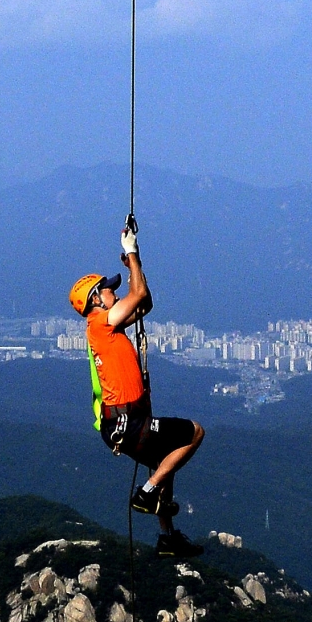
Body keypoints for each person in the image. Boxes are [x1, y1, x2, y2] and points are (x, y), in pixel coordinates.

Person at [69, 222, 205, 559]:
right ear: (96, 300)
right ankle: (146, 493)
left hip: (124, 424)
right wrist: (129, 252)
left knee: (164, 462)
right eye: (108, 290)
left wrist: (136, 265)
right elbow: (139, 296)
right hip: (127, 424)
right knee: (194, 434)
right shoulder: (100, 325)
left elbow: (144, 304)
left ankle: (166, 536)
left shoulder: (106, 326)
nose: (113, 292)